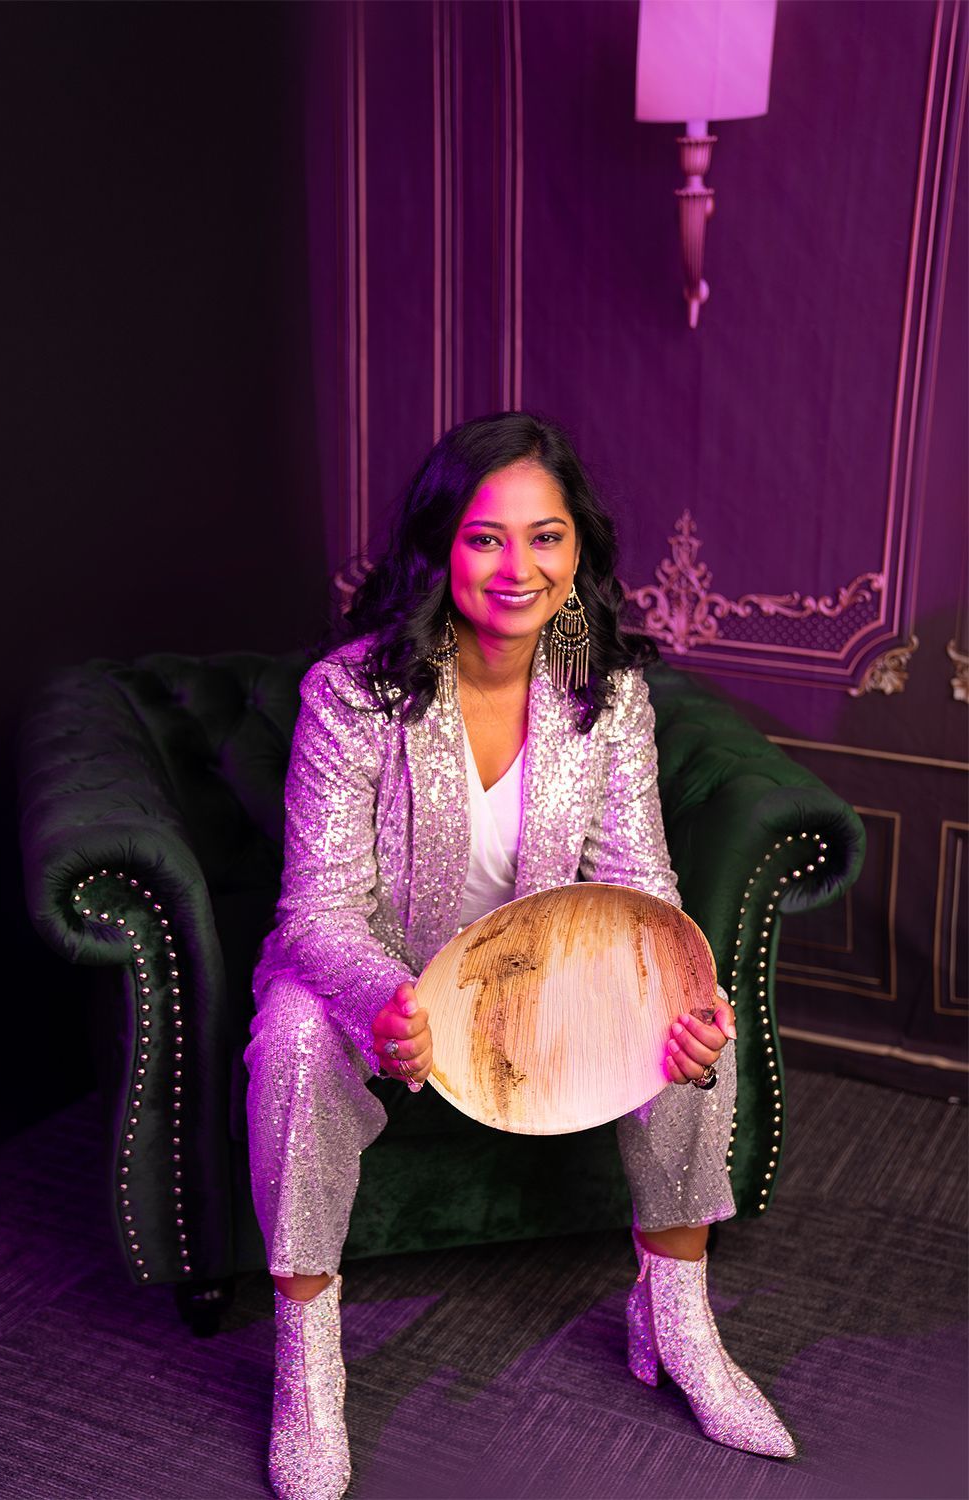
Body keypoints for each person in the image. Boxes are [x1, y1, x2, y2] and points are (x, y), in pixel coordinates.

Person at [245, 412, 795, 1500]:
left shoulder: (609, 694)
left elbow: (639, 886)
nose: (518, 567)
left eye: (544, 537)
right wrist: (386, 1001)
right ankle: (307, 1355)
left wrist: (680, 988)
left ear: (576, 548)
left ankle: (676, 1321)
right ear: (439, 545)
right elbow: (317, 911)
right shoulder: (351, 695)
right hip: (380, 981)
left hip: (538, 989)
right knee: (296, 1036)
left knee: (692, 1019)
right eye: (486, 538)